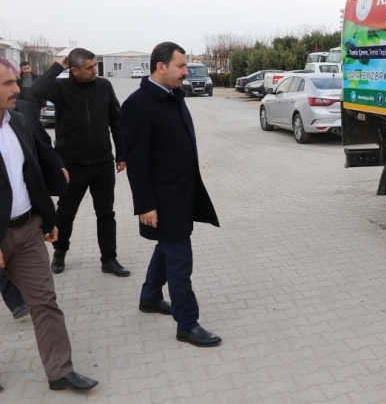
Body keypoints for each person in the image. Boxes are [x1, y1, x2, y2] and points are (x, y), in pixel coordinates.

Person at [0, 59, 98, 392]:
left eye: (15, 81)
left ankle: (59, 371)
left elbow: (36, 167)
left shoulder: (19, 121)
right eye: (7, 84)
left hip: (27, 230)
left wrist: (48, 219)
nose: (17, 89)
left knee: (45, 303)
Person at [121, 42, 221, 347]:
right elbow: (135, 162)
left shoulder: (175, 96)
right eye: (180, 65)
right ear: (160, 67)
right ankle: (187, 324)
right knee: (180, 261)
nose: (185, 71)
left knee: (166, 249)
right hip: (162, 199)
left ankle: (150, 296)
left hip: (183, 193)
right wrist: (145, 205)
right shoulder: (137, 105)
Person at [32, 49, 130, 277]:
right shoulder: (61, 87)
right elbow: (37, 90)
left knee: (106, 213)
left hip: (102, 163)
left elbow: (117, 121)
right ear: (74, 70)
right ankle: (60, 252)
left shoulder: (104, 86)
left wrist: (121, 154)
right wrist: (58, 67)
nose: (95, 70)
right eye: (89, 67)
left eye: (95, 65)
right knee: (66, 214)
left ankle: (109, 259)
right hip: (71, 165)